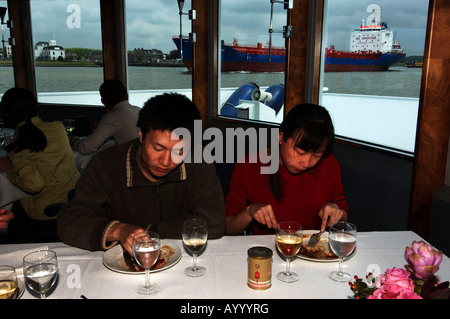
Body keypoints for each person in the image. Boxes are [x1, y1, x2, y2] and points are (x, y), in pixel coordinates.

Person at [57, 93, 226, 254]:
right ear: (141, 134)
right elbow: (69, 220)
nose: (166, 161)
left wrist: (151, 231)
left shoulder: (197, 162)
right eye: (158, 148)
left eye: (179, 150)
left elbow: (214, 223)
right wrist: (117, 230)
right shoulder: (106, 165)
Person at [225, 103, 349, 235]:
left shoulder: (328, 163)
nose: (306, 163)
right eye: (300, 152)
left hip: (314, 248)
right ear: (281, 137)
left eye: (317, 155)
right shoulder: (250, 165)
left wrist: (337, 213)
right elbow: (227, 228)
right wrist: (249, 212)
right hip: (266, 251)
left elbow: (344, 217)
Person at [0, 87, 80, 243]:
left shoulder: (20, 141)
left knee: (12, 208)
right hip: (73, 201)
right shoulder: (58, 128)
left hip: (46, 213)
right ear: (36, 107)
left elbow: (34, 185)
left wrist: (11, 171)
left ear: (7, 115)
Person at [70, 79, 140, 155]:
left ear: (103, 101)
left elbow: (86, 148)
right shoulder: (139, 110)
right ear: (126, 95)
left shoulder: (112, 117)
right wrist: (100, 128)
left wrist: (73, 140)